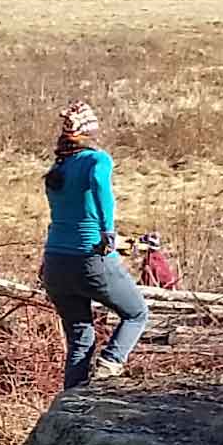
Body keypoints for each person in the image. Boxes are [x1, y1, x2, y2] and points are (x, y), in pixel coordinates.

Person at [39, 98, 153, 387]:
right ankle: (110, 363)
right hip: (89, 256)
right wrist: (108, 231)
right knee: (136, 312)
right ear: (90, 134)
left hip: (55, 262)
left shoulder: (58, 168)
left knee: (79, 334)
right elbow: (101, 187)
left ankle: (71, 402)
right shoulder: (96, 160)